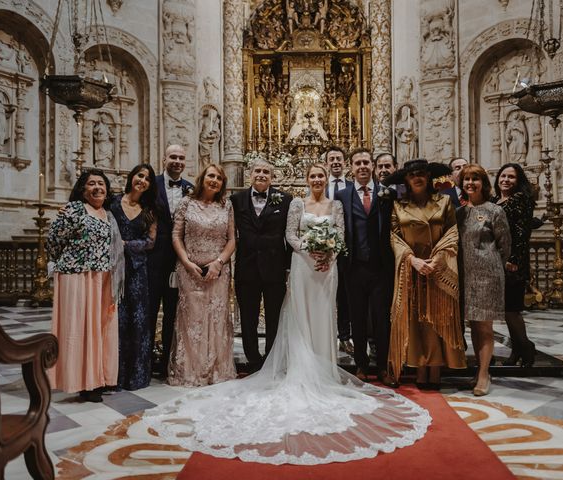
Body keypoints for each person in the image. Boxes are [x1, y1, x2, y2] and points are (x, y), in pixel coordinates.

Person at [143, 164, 431, 465]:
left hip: (324, 268)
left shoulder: (333, 204)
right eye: (313, 175)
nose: (317, 179)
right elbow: (291, 235)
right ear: (306, 179)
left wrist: (328, 253)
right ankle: (262, 364)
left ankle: (324, 369)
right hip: (299, 266)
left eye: (321, 175)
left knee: (323, 317)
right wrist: (309, 250)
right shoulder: (280, 202)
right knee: (289, 318)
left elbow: (340, 233)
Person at [387, 159, 467, 389]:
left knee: (439, 319)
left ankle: (436, 369)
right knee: (417, 320)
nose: (418, 178)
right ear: (406, 180)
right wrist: (412, 260)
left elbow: (453, 232)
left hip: (439, 268)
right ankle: (420, 367)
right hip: (412, 269)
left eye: (422, 174)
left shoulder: (444, 202)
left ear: (429, 177)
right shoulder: (398, 205)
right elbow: (394, 237)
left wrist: (438, 258)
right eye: (413, 175)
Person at [46, 169, 124, 402]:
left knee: (100, 329)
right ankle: (81, 382)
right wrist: (72, 262)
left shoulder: (108, 215)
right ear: (83, 189)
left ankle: (97, 379)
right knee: (78, 330)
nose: (98, 187)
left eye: (101, 183)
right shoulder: (74, 209)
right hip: (76, 277)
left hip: (103, 278)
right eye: (92, 184)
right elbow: (53, 241)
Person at [168, 163, 236, 386]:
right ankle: (190, 370)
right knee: (192, 319)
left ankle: (215, 369)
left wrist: (219, 262)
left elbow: (232, 239)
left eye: (218, 178)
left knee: (216, 318)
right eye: (211, 176)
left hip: (218, 270)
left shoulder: (226, 206)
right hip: (190, 270)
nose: (214, 180)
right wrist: (186, 262)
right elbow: (176, 235)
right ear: (202, 178)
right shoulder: (186, 203)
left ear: (222, 184)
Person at [335, 147, 397, 387]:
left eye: (366, 162)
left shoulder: (387, 193)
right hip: (353, 267)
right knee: (357, 317)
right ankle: (361, 364)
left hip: (381, 267)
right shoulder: (342, 195)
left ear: (372, 166)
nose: (362, 166)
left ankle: (382, 365)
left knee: (382, 318)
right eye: (357, 163)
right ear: (351, 167)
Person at [231, 159, 292, 372]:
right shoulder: (236, 200)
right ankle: (253, 360)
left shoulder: (285, 200)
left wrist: (289, 268)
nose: (261, 174)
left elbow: (290, 235)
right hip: (246, 268)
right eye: (257, 170)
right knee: (248, 317)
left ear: (272, 177)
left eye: (266, 171)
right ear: (250, 173)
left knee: (274, 317)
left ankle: (271, 358)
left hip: (274, 268)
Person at [457, 165, 511, 396]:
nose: (470, 183)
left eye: (475, 179)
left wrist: (492, 263)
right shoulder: (459, 212)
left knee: (485, 327)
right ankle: (480, 369)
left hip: (487, 274)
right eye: (466, 179)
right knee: (474, 326)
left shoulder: (493, 211)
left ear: (484, 183)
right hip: (465, 275)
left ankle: (483, 375)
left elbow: (505, 245)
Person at [110, 164, 158, 391]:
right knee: (116, 320)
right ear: (131, 177)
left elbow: (150, 242)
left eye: (147, 178)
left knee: (137, 321)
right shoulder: (113, 204)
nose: (143, 181)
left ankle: (136, 376)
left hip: (138, 271)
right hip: (114, 269)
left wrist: (125, 245)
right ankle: (114, 376)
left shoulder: (148, 210)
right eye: (140, 175)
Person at [148, 144, 194, 378]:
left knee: (173, 314)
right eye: (173, 157)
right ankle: (144, 364)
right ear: (164, 158)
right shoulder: (151, 184)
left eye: (181, 158)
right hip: (153, 259)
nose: (177, 161)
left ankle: (166, 362)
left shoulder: (190, 189)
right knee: (148, 312)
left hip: (180, 261)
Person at [492, 163, 536, 367]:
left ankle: (526, 346)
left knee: (512, 308)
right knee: (506, 308)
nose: (506, 180)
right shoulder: (495, 200)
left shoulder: (521, 200)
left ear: (518, 181)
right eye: (503, 176)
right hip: (498, 261)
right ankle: (517, 349)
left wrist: (514, 260)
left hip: (513, 262)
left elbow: (521, 233)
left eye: (511, 177)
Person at [324, 146, 353, 355]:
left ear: (345, 163)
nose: (335, 162)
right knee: (323, 295)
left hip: (346, 250)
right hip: (321, 250)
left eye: (339, 159)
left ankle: (344, 337)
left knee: (344, 295)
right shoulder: (318, 186)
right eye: (331, 159)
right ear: (326, 163)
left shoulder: (352, 188)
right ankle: (323, 338)